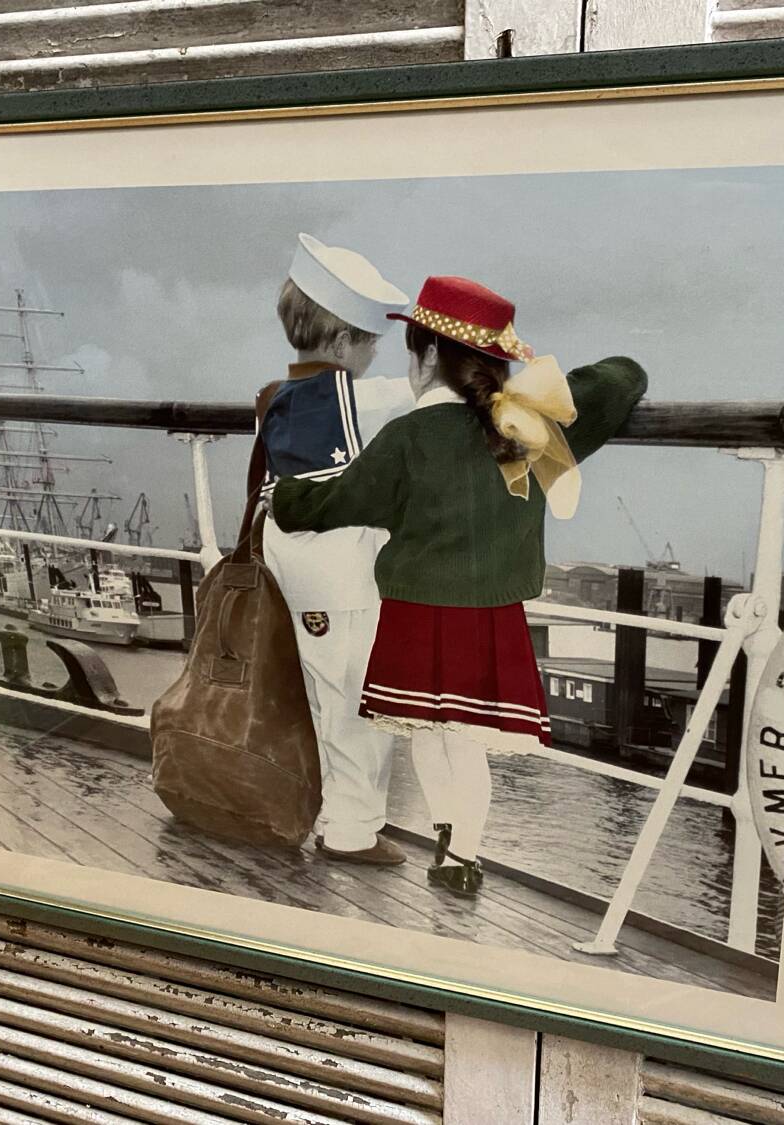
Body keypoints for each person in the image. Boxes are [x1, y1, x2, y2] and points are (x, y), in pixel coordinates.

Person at [270, 275, 648, 896]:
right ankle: (462, 855)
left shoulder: (406, 438)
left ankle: (448, 836)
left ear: (422, 356)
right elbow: (621, 375)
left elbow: (335, 501)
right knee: (468, 743)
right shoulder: (529, 428)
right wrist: (523, 388)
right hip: (490, 615)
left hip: (415, 613)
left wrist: (286, 495)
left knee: (427, 730)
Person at [258, 233, 416, 866]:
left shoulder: (275, 396)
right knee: (357, 702)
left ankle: (317, 808)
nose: (377, 356)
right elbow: (446, 398)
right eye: (372, 342)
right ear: (348, 341)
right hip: (340, 571)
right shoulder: (368, 400)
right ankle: (350, 831)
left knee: (321, 693)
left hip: (289, 561)